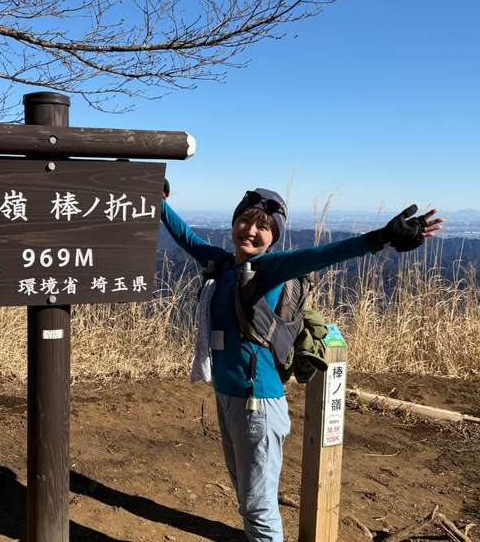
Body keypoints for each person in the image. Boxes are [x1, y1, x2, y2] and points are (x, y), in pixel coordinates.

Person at [160, 184, 444, 542]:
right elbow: (185, 235)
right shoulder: (222, 263)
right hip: (228, 397)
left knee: (258, 506)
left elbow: (322, 255)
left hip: (256, 405)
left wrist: (381, 238)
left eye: (263, 226)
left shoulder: (270, 269)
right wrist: (155, 198)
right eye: (245, 220)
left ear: (274, 236)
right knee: (247, 499)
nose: (251, 230)